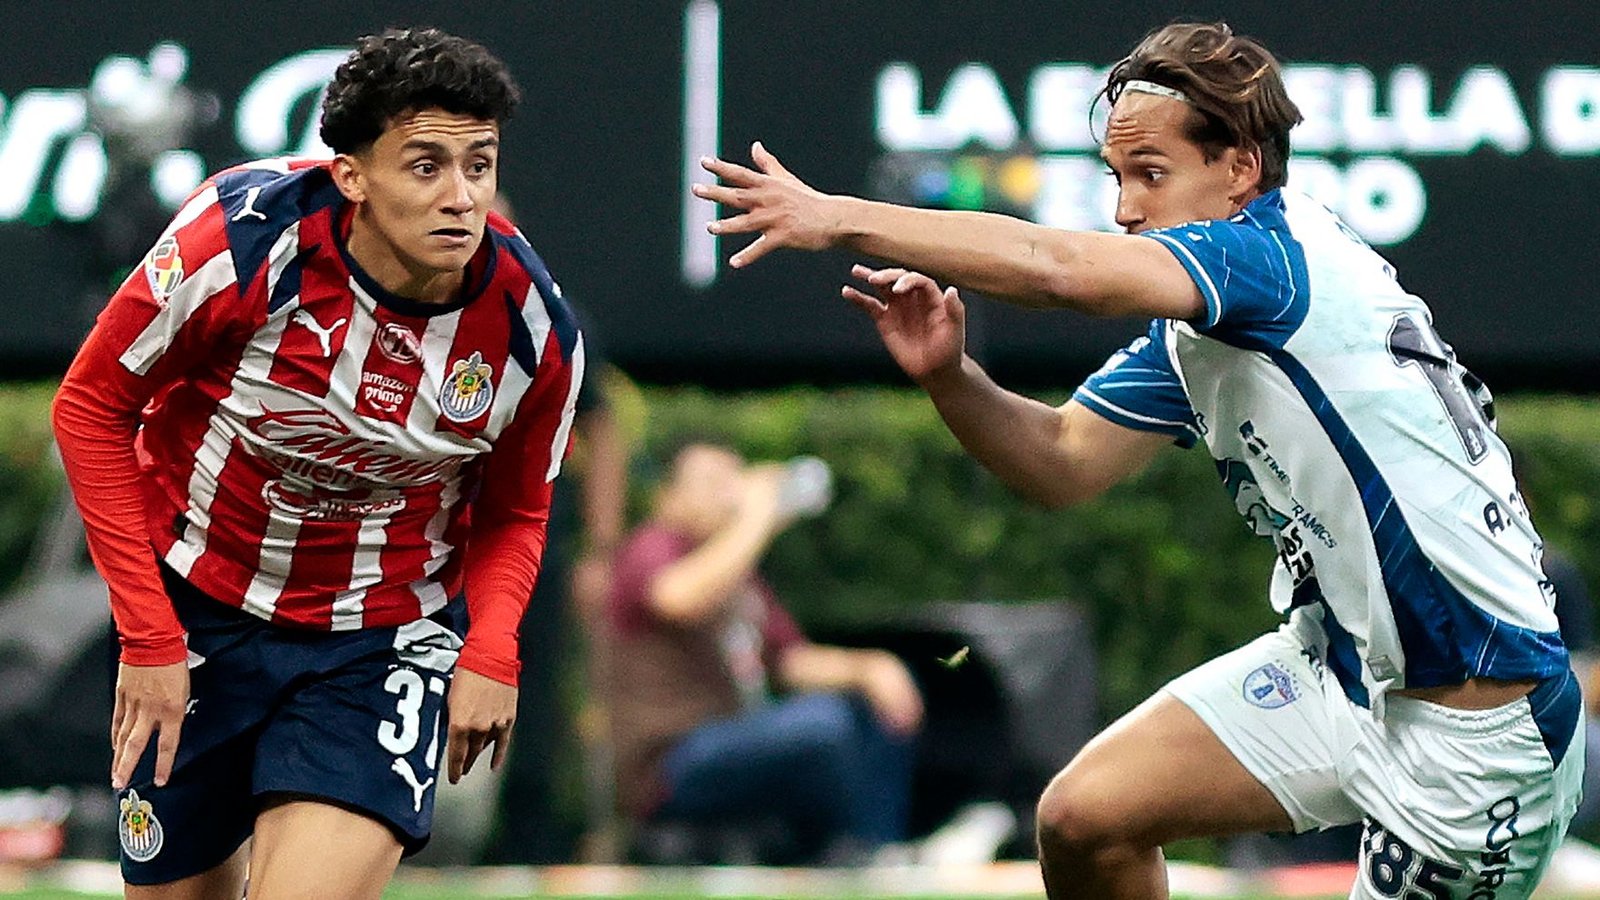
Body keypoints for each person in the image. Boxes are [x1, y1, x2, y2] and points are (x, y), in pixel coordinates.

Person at [695, 20, 1581, 899]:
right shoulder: (1208, 317)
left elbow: (1059, 269)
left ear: (1239, 169)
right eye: (1118, 178)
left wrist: (837, 218)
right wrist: (952, 377)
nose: (1124, 209)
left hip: (1481, 734)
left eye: (1150, 175)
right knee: (1085, 820)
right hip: (1345, 677)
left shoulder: (1265, 259)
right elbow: (1062, 461)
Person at [51, 27, 584, 899]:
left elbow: (517, 508)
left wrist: (492, 649)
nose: (461, 198)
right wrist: (150, 636)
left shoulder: (534, 331)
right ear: (351, 176)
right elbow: (91, 407)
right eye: (424, 166)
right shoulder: (237, 247)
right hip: (198, 612)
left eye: (478, 165)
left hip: (379, 641)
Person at [604, 441, 924, 862]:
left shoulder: (738, 574)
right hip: (670, 761)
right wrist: (756, 516)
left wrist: (871, 668)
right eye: (713, 483)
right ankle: (860, 851)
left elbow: (790, 661)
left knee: (871, 708)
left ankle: (878, 849)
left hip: (736, 739)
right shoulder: (653, 545)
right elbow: (679, 597)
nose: (729, 493)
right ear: (670, 496)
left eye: (733, 480)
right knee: (822, 724)